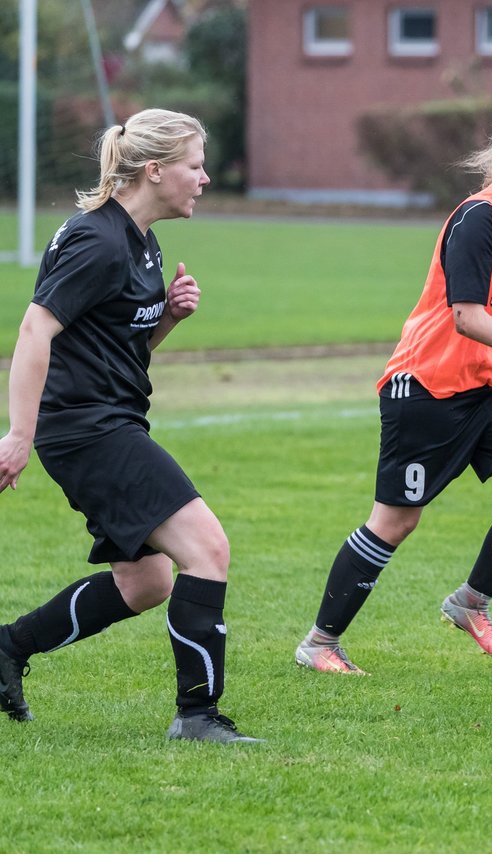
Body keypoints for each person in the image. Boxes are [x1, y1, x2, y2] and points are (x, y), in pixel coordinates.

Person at [0, 109, 260, 743]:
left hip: (111, 420)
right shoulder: (99, 239)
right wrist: (18, 435)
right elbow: (36, 329)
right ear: (155, 170)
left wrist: (167, 318)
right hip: (88, 429)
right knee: (208, 550)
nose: (203, 179)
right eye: (195, 166)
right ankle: (197, 717)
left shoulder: (140, 241)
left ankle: (8, 647)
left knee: (147, 582)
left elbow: (118, 351)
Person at [293, 107, 492, 673]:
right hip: (425, 387)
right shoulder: (479, 218)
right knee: (397, 521)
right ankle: (319, 643)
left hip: (487, 389)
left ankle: (470, 602)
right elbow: (467, 317)